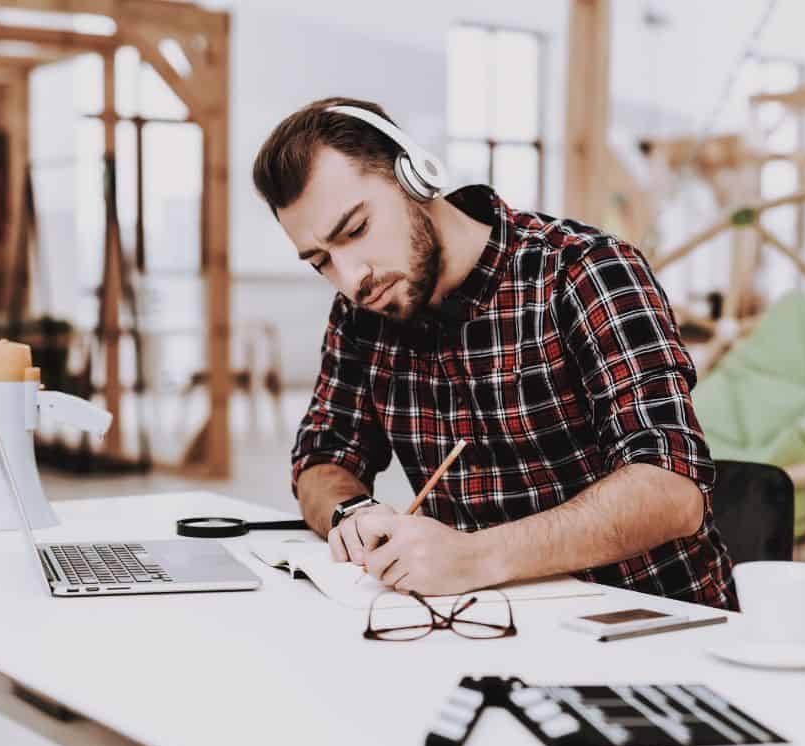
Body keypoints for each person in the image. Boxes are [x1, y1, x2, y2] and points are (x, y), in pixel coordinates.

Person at [252, 97, 736, 609]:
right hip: (485, 623)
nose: (352, 278)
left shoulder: (583, 272)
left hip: (649, 621)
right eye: (321, 260)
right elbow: (322, 457)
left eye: (355, 231)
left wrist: (476, 557)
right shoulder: (362, 314)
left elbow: (671, 488)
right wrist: (351, 513)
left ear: (415, 178)